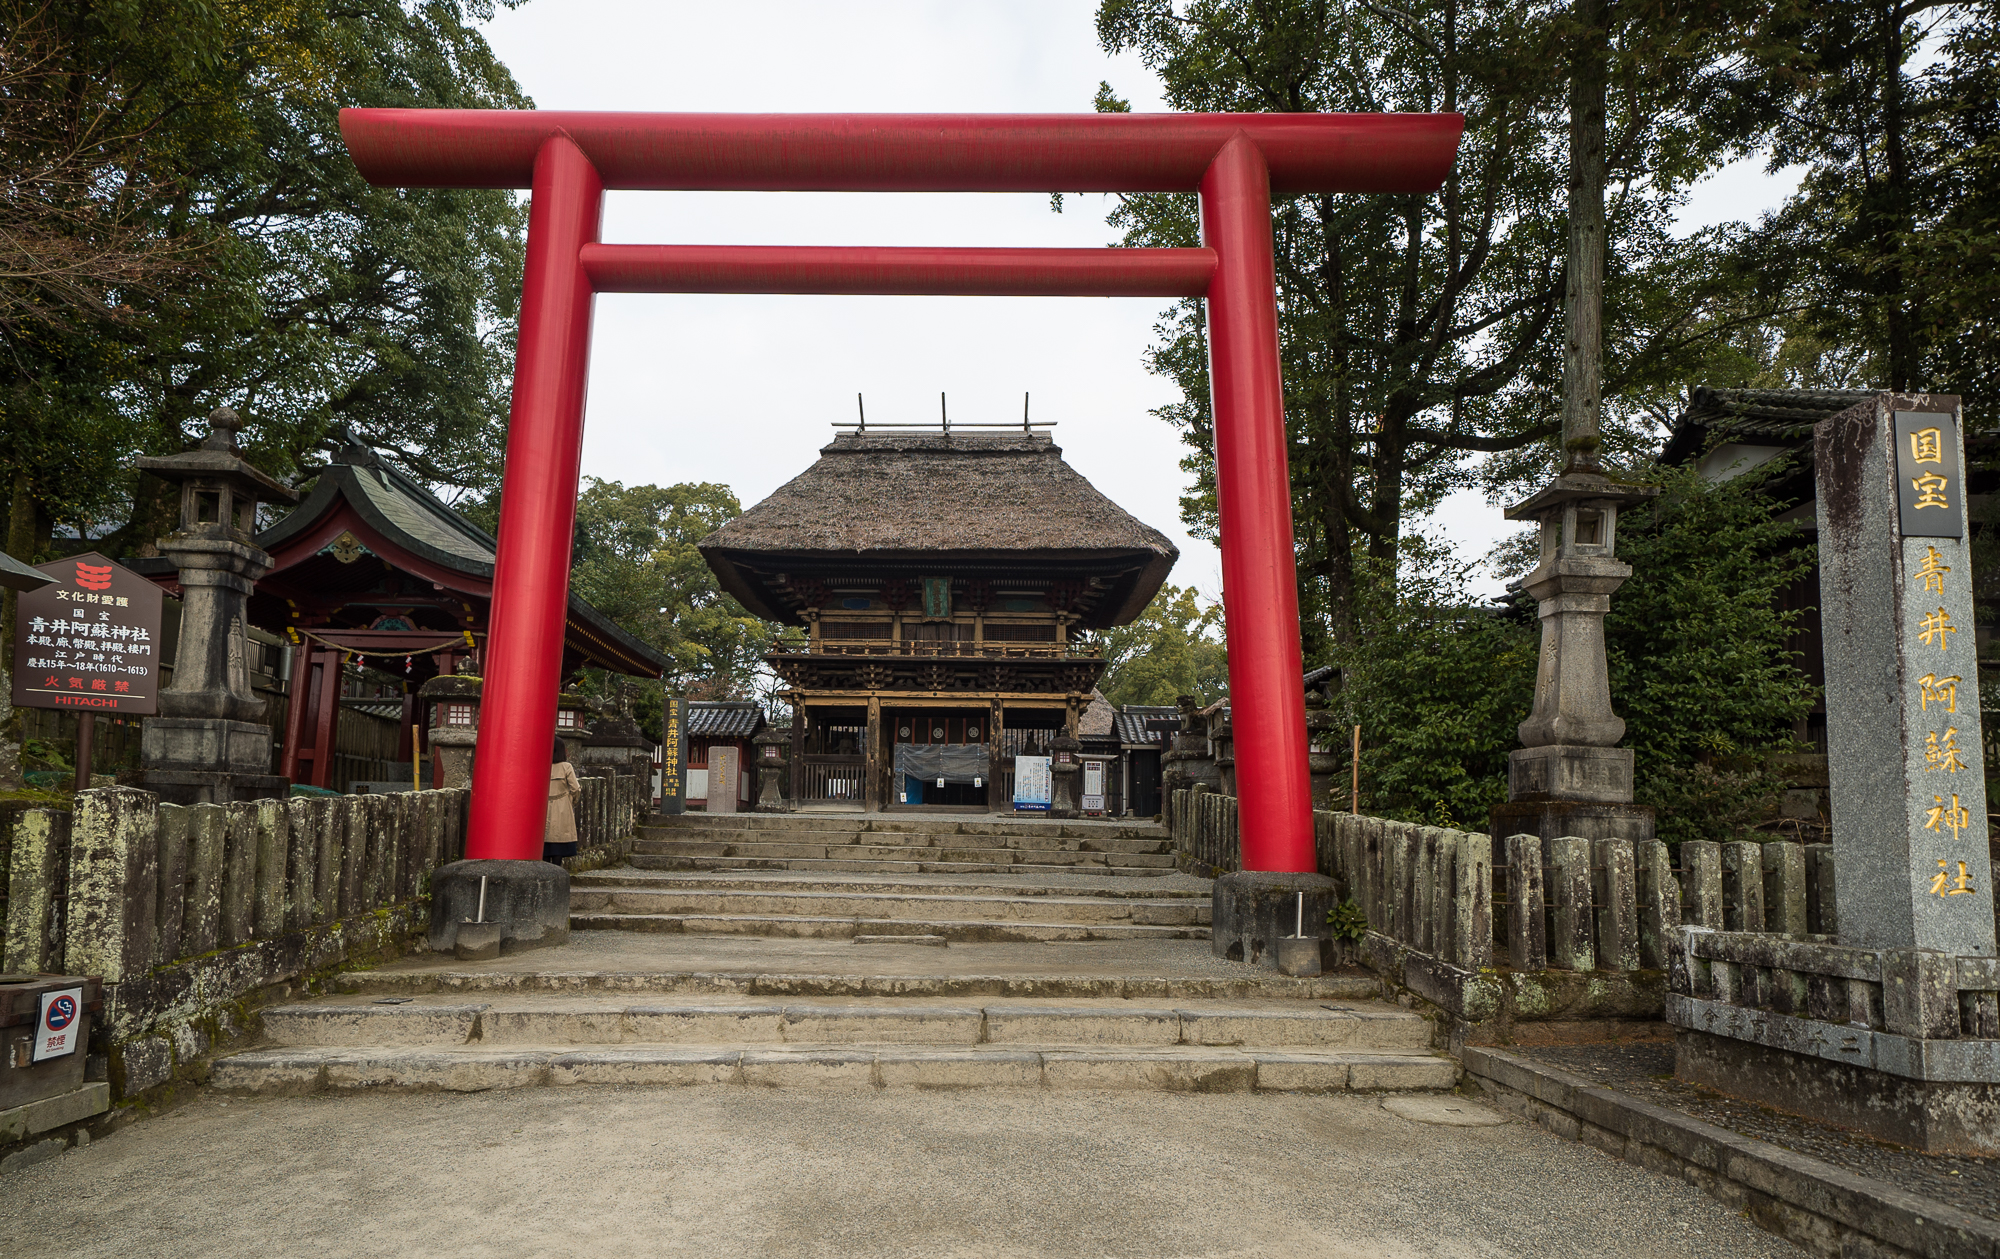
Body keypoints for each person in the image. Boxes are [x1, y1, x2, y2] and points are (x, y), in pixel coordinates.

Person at [544, 736, 582, 865]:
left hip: (543, 806)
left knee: (544, 841)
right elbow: (576, 788)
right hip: (562, 805)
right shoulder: (566, 767)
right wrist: (572, 800)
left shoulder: (542, 765)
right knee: (559, 840)